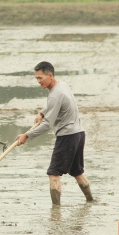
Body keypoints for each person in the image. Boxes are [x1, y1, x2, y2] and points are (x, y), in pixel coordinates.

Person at [15, 61, 93, 205]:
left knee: (54, 173)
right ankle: (90, 201)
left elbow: (48, 125)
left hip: (67, 136)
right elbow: (57, 106)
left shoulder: (54, 95)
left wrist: (26, 136)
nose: (38, 81)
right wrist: (42, 112)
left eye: (40, 78)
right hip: (79, 134)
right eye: (36, 78)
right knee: (77, 172)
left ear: (50, 75)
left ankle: (56, 211)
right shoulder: (62, 86)